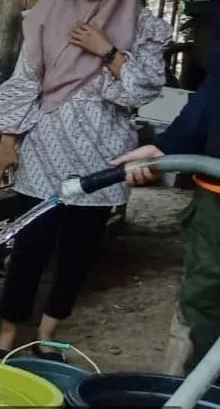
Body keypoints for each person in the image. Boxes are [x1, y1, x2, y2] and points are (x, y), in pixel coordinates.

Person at [0, 0, 169, 361]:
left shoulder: (144, 27)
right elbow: (26, 80)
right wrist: (8, 141)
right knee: (29, 246)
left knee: (79, 252)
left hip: (103, 154)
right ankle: (7, 333)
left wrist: (107, 50)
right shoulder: (49, 15)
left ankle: (49, 334)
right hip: (44, 148)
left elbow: (141, 91)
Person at [115, 26, 220, 373]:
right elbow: (214, 91)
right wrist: (169, 146)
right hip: (216, 195)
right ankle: (188, 389)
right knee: (203, 297)